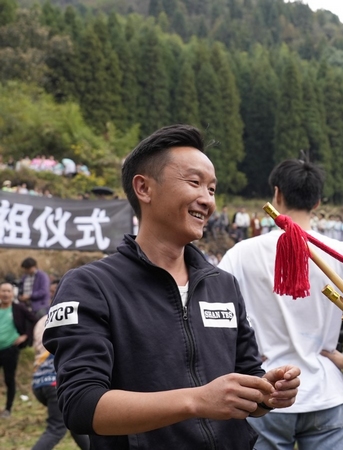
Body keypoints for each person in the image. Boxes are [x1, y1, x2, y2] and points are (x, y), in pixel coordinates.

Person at [43, 125, 301, 450]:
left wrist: (266, 392)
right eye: (194, 183)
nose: (207, 200)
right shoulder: (91, 286)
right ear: (144, 188)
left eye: (212, 189)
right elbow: (81, 404)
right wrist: (196, 400)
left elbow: (246, 374)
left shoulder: (223, 285)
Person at [218, 158, 343, 450]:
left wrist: (241, 356)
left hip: (265, 389)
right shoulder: (340, 252)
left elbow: (213, 307)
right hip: (325, 391)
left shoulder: (242, 253)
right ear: (317, 203)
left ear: (277, 194)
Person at [31, 278, 91, 450]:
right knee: (57, 428)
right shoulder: (75, 314)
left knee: (74, 425)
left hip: (39, 382)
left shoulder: (42, 320)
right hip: (57, 382)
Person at [1, 280, 36, 418]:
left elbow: (33, 319)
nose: (5, 294)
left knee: (9, 379)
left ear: (12, 294)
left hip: (10, 349)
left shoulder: (18, 308)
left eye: (8, 291)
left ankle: (8, 409)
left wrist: (25, 336)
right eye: (3, 291)